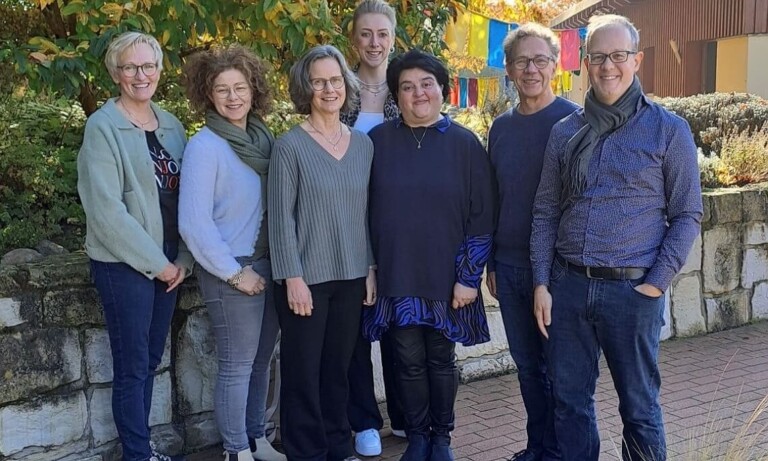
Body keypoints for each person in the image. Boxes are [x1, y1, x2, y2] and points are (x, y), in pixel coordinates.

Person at [530, 14, 703, 461]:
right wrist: (542, 283)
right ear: (586, 63)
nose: (609, 66)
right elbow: (547, 210)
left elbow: (687, 215)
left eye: (619, 56)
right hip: (568, 288)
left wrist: (655, 284)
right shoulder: (565, 132)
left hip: (632, 290)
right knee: (569, 405)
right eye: (599, 57)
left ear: (637, 60)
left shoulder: (668, 129)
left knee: (640, 409)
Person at [364, 49, 495, 461]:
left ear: (442, 89)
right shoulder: (377, 142)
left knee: (440, 359)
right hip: (396, 272)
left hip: (447, 275)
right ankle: (417, 436)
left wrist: (469, 277)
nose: (417, 93)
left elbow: (482, 215)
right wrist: (369, 268)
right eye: (407, 87)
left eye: (426, 84)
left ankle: (442, 438)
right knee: (406, 360)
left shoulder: (464, 144)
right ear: (396, 96)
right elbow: (362, 210)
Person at [77, 31, 192, 461]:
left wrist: (182, 258)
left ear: (160, 71)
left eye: (148, 66)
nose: (140, 75)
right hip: (124, 262)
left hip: (168, 260)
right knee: (131, 365)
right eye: (130, 67)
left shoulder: (172, 125)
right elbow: (106, 212)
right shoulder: (103, 127)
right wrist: (157, 264)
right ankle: (137, 455)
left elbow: (188, 197)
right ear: (116, 73)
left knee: (148, 361)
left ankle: (139, 451)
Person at [178, 45, 286, 461]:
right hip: (231, 269)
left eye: (240, 87)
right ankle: (235, 449)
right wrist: (233, 273)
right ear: (208, 94)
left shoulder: (262, 137)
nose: (232, 96)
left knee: (261, 362)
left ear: (253, 89)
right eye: (221, 89)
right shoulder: (205, 147)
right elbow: (193, 223)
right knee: (237, 365)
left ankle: (257, 439)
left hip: (268, 263)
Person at [269, 44, 375, 461]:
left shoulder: (363, 146)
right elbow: (280, 219)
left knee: (339, 367)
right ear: (305, 88)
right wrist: (291, 278)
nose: (328, 89)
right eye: (318, 82)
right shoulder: (289, 147)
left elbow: (365, 213)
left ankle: (337, 443)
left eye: (335, 80)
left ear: (346, 86)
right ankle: (307, 450)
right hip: (305, 280)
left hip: (351, 275)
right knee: (303, 372)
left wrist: (369, 267)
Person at [485, 23, 579, 461]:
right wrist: (490, 263)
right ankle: (538, 447)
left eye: (540, 59)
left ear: (554, 66)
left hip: (558, 271)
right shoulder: (500, 128)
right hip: (509, 266)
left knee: (561, 372)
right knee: (527, 368)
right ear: (508, 68)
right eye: (522, 60)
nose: (531, 69)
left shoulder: (574, 122)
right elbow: (494, 197)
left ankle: (560, 451)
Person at [340, 0, 404, 456]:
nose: (374, 43)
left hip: (399, 227)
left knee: (403, 325)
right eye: (366, 34)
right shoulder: (335, 89)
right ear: (354, 39)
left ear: (393, 38)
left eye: (382, 34)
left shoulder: (408, 89)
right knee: (356, 329)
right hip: (344, 227)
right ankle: (363, 417)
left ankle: (405, 412)